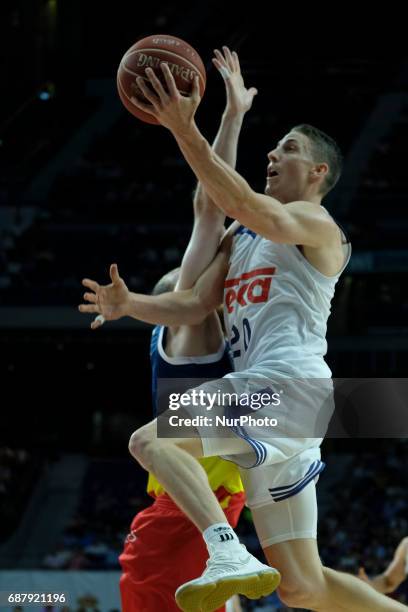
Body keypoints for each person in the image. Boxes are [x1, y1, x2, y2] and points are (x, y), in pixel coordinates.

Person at [80, 48, 408, 612]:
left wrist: (186, 130)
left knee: (149, 441)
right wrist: (129, 303)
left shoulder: (315, 222)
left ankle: (225, 549)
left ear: (318, 172)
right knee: (302, 586)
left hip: (285, 387)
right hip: (291, 405)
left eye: (290, 149)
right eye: (275, 146)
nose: (274, 154)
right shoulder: (241, 238)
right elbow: (192, 303)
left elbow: (247, 204)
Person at [83, 49, 253, 612]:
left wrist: (227, 117)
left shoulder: (198, 325)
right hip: (197, 505)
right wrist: (228, 117)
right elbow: (211, 209)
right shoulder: (180, 332)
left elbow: (212, 207)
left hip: (198, 510)